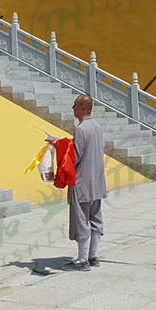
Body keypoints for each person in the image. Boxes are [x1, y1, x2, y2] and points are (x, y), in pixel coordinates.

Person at [63, 94, 107, 271]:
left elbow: (75, 156)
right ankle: (93, 256)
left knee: (81, 220)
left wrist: (59, 149)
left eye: (75, 105)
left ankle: (82, 260)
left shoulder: (81, 130)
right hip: (97, 181)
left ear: (83, 108)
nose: (72, 107)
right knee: (95, 218)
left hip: (82, 182)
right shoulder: (97, 127)